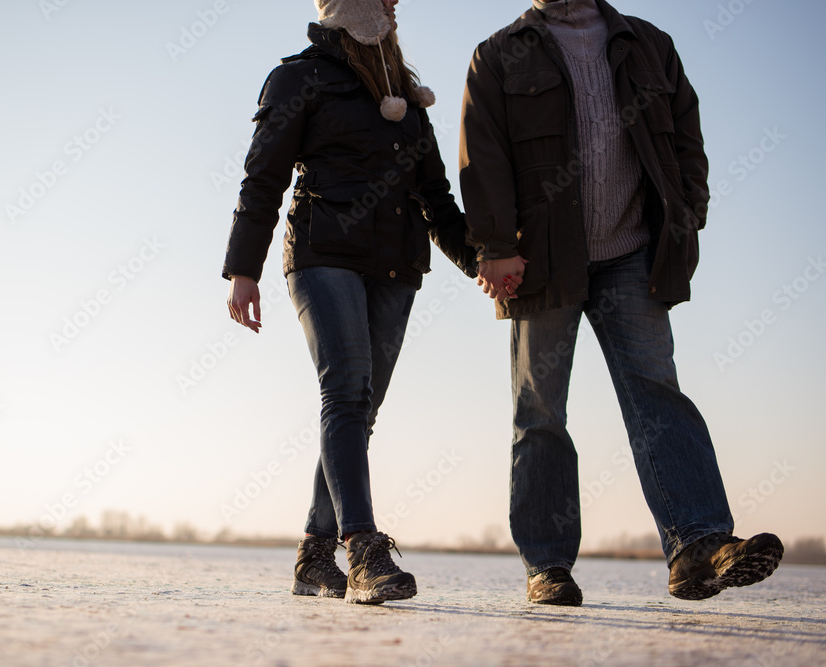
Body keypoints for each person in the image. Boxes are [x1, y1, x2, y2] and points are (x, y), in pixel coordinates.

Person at [458, 0, 783, 606]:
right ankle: (547, 566)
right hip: (542, 263)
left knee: (657, 391)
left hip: (634, 253)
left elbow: (687, 137)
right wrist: (496, 245)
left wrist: (688, 215)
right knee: (540, 414)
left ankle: (699, 544)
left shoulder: (648, 43)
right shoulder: (499, 53)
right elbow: (484, 157)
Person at [223, 0, 475, 605]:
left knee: (360, 408)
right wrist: (243, 268)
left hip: (395, 265)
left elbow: (436, 197)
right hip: (322, 254)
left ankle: (315, 553)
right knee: (346, 390)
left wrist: (483, 266)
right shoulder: (299, 77)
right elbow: (263, 176)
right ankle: (362, 548)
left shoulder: (408, 100)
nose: (394, 7)